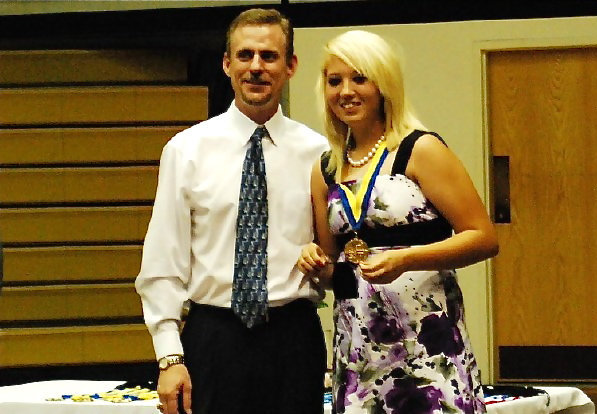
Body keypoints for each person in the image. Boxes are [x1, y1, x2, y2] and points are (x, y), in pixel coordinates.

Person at [136, 8, 328, 414]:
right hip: (213, 338)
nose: (256, 67)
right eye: (244, 55)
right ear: (227, 64)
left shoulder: (319, 153)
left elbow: (334, 250)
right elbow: (162, 261)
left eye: (269, 56)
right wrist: (170, 357)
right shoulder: (186, 150)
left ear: (290, 66)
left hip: (293, 338)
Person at [298, 30, 499, 413]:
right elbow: (331, 269)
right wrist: (314, 261)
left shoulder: (419, 149)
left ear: (384, 83)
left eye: (360, 78)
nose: (346, 91)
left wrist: (406, 259)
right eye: (334, 80)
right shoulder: (325, 168)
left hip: (426, 344)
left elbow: (483, 237)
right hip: (358, 350)